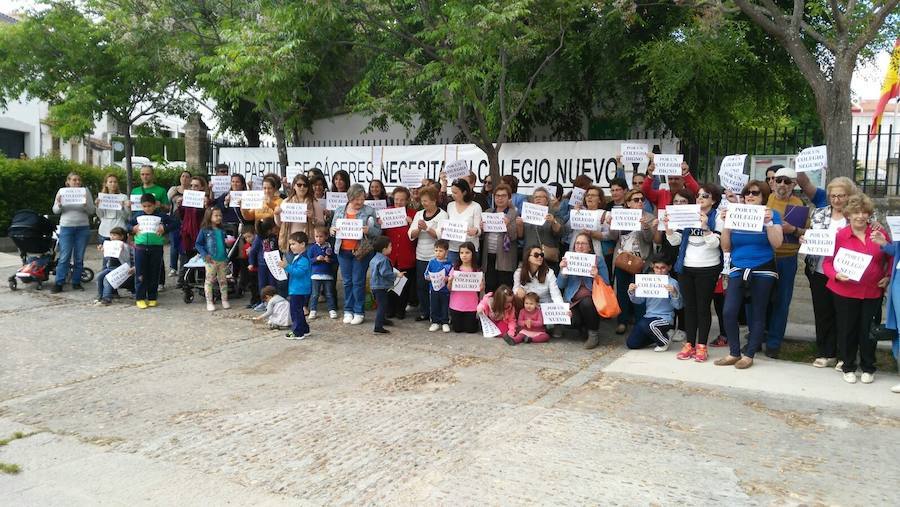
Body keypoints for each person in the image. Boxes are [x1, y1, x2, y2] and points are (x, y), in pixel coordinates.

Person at [715, 180, 783, 370]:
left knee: (757, 312)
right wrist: (726, 225)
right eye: (747, 193)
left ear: (763, 197)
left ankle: (749, 354)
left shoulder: (772, 215)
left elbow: (777, 243)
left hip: (763, 267)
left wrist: (769, 223)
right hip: (738, 267)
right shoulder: (736, 213)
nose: (750, 196)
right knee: (729, 311)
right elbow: (726, 247)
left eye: (755, 193)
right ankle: (734, 352)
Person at [828, 195, 890, 384]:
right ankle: (848, 366)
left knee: (869, 330)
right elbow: (829, 262)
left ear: (869, 214)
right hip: (846, 291)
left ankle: (868, 367)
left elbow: (891, 257)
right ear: (849, 214)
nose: (860, 216)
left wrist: (887, 277)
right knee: (847, 330)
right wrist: (836, 275)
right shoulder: (841, 235)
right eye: (856, 212)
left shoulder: (879, 234)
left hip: (872, 291)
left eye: (864, 212)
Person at [802, 176, 856, 368]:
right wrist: (806, 241)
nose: (836, 200)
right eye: (833, 196)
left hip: (846, 272)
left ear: (849, 196)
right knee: (823, 312)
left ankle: (844, 356)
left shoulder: (856, 215)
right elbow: (812, 235)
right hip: (819, 269)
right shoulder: (819, 213)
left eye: (841, 196)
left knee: (844, 315)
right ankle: (826, 352)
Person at [669, 184, 723, 363]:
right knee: (689, 307)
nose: (700, 198)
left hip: (708, 267)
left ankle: (702, 346)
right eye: (698, 195)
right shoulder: (689, 214)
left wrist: (705, 227)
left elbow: (716, 244)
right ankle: (689, 344)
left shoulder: (718, 217)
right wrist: (669, 230)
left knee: (703, 307)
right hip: (686, 266)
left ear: (713, 200)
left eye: (705, 196)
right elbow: (677, 240)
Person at [608, 189, 658, 335]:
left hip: (640, 261)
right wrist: (611, 224)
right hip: (622, 259)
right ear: (628, 203)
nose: (640, 202)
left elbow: (649, 239)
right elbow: (613, 236)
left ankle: (640, 323)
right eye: (636, 200)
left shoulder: (648, 217)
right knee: (622, 292)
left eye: (642, 199)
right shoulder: (621, 215)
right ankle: (622, 321)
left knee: (639, 292)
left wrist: (646, 227)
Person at [331, 183, 382, 325]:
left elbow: (378, 231)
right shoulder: (340, 210)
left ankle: (359, 311)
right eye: (356, 199)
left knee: (358, 281)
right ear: (349, 198)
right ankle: (348, 310)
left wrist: (369, 230)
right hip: (343, 250)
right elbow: (332, 227)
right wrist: (332, 230)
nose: (359, 202)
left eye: (362, 198)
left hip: (361, 251)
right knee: (347, 282)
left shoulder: (370, 211)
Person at [558, 232, 611, 349]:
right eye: (577, 243)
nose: (580, 246)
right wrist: (563, 270)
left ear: (589, 247)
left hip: (592, 301)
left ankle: (593, 334)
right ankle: (583, 327)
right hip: (573, 300)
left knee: (586, 302)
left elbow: (607, 283)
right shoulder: (568, 259)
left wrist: (597, 276)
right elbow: (560, 285)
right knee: (568, 321)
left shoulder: (598, 260)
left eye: (583, 243)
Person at [625, 253, 683, 351]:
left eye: (663, 268)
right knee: (632, 343)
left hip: (665, 318)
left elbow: (678, 306)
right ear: (653, 267)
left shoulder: (673, 283)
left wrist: (674, 293)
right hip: (649, 316)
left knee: (648, 324)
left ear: (669, 267)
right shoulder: (647, 281)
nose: (659, 271)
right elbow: (639, 301)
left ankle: (663, 342)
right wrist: (632, 292)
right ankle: (658, 336)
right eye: (657, 267)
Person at [129, 193, 176, 309]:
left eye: (149, 206)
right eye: (144, 206)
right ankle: (140, 298)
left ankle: (152, 297)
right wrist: (132, 228)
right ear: (141, 206)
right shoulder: (137, 216)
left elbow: (175, 223)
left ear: (155, 205)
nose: (147, 208)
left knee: (154, 273)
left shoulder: (161, 215)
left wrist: (164, 228)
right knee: (141, 273)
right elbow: (127, 224)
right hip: (140, 248)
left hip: (156, 247)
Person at [51, 172, 96, 293]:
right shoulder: (62, 192)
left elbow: (92, 210)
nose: (76, 182)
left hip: (82, 227)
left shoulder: (85, 192)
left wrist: (86, 205)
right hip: (67, 226)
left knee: (79, 257)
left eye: (78, 180)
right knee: (64, 256)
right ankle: (59, 282)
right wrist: (59, 204)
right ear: (68, 182)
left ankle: (76, 282)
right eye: (74, 180)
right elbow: (55, 210)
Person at [409, 186, 448, 322]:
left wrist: (426, 227)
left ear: (434, 201)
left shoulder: (443, 215)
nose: (423, 203)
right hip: (421, 255)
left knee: (436, 286)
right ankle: (424, 311)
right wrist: (419, 230)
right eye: (422, 201)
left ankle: (436, 313)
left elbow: (440, 235)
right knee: (421, 285)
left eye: (426, 201)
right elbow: (411, 234)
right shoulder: (419, 214)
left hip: (436, 257)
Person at [378, 186, 417, 319]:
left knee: (404, 284)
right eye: (396, 199)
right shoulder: (387, 213)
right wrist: (380, 224)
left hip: (407, 255)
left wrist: (412, 224)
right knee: (390, 283)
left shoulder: (413, 214)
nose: (399, 202)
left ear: (407, 200)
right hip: (390, 255)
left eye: (402, 200)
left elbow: (417, 235)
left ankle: (401, 309)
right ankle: (390, 309)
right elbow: (380, 234)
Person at [481, 183, 519, 293]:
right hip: (489, 256)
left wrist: (507, 226)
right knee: (490, 288)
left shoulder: (513, 213)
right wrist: (481, 228)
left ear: (509, 198)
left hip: (505, 257)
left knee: (504, 289)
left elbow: (515, 236)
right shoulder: (488, 212)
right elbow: (482, 235)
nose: (500, 198)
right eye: (497, 196)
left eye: (503, 196)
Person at [520, 186, 566, 272]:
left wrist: (553, 222)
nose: (538, 199)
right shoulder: (526, 213)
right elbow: (520, 236)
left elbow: (560, 232)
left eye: (541, 197)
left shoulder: (554, 213)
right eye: (536, 197)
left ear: (547, 200)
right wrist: (519, 224)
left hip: (547, 258)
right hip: (529, 257)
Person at [438, 178, 482, 265]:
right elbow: (447, 224)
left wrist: (475, 231)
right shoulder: (450, 206)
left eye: (455, 193)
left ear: (464, 192)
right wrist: (444, 230)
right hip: (453, 248)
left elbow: (479, 230)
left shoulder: (476, 207)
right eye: (452, 192)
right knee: (452, 275)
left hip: (470, 249)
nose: (452, 195)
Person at [276, 174, 324, 252]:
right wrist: (276, 214)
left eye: (305, 185)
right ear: (294, 186)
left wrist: (312, 218)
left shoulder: (314, 202)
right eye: (299, 185)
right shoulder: (286, 202)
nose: (302, 187)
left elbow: (322, 224)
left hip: (308, 243)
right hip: (290, 242)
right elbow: (279, 224)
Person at [195, 207, 231, 312]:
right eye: (216, 215)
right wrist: (204, 254)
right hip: (211, 260)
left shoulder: (222, 230)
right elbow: (198, 244)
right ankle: (209, 301)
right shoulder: (205, 230)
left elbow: (223, 243)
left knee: (223, 280)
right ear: (209, 217)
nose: (219, 217)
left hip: (222, 259)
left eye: (220, 215)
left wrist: (227, 244)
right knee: (209, 281)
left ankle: (224, 299)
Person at [176, 175, 209, 285]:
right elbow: (182, 217)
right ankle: (187, 281)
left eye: (196, 186)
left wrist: (206, 205)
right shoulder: (187, 198)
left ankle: (201, 281)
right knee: (187, 257)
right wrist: (180, 206)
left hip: (200, 232)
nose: (193, 188)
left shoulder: (205, 200)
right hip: (187, 233)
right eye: (191, 186)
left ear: (202, 188)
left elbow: (207, 217)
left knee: (201, 257)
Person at [282, 232, 313, 340]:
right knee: (298, 310)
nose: (291, 247)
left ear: (303, 244)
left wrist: (287, 267)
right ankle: (304, 329)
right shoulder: (298, 257)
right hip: (296, 288)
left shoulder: (303, 259)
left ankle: (298, 332)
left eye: (294, 244)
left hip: (299, 289)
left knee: (295, 311)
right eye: (290, 244)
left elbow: (299, 273)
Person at [448, 241, 483, 333]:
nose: (464, 255)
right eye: (461, 253)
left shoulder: (477, 271)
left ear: (473, 254)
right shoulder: (455, 269)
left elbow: (480, 289)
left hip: (471, 305)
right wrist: (450, 282)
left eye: (467, 252)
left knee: (470, 330)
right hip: (456, 305)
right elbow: (449, 288)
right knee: (457, 329)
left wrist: (482, 285)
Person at [369, 236, 401, 334]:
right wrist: (397, 275)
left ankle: (382, 319)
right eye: (390, 246)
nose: (392, 248)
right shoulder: (384, 260)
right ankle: (378, 326)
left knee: (382, 304)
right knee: (382, 306)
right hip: (381, 286)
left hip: (375, 285)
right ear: (384, 249)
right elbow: (385, 273)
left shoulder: (374, 258)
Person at [94, 227, 131, 305]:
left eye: (114, 235)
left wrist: (122, 250)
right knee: (99, 277)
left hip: (121, 267)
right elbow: (108, 257)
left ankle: (106, 298)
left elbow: (127, 258)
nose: (112, 237)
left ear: (121, 237)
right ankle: (100, 296)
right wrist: (103, 250)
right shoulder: (110, 244)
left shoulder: (125, 245)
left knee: (107, 279)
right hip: (111, 267)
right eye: (111, 235)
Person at [308, 225, 337, 319]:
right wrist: (316, 258)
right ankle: (313, 310)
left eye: (321, 236)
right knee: (315, 294)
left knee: (329, 293)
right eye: (316, 236)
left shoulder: (329, 247)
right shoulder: (312, 248)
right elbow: (309, 260)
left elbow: (335, 260)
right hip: (315, 275)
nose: (318, 239)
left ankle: (332, 309)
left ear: (326, 237)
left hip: (327, 274)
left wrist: (329, 260)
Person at [247, 218, 280, 303]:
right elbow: (253, 251)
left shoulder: (274, 237)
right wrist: (251, 263)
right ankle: (263, 302)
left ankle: (273, 300)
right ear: (269, 230)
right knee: (262, 283)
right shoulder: (259, 238)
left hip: (273, 263)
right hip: (262, 264)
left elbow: (277, 248)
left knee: (273, 283)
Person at [167, 170, 192, 276]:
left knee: (184, 244)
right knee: (174, 244)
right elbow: (167, 201)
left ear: (190, 179)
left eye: (187, 177)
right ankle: (173, 267)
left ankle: (184, 266)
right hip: (174, 219)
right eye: (182, 176)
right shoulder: (173, 189)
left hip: (187, 219)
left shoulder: (192, 191)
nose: (184, 178)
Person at [239, 224, 260, 309]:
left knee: (259, 286)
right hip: (251, 269)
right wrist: (247, 253)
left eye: (249, 236)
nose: (248, 239)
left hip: (258, 268)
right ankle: (253, 301)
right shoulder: (246, 246)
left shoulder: (258, 244)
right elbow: (243, 257)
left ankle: (259, 301)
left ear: (254, 234)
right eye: (246, 238)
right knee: (252, 286)